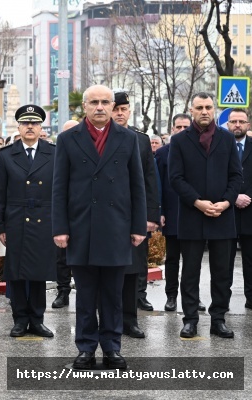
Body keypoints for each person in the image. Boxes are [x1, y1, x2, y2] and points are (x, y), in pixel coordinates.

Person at [52, 85, 146, 370]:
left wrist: (139, 226)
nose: (101, 107)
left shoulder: (128, 139)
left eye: (106, 102)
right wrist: (60, 228)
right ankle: (86, 348)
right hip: (81, 228)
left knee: (113, 295)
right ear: (85, 105)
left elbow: (137, 186)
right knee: (85, 295)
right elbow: (59, 188)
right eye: (94, 102)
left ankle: (112, 348)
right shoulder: (68, 139)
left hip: (116, 228)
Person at [169, 92, 242, 339]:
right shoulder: (179, 141)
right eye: (199, 107)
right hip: (192, 215)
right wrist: (198, 202)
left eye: (208, 107)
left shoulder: (226, 138)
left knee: (222, 272)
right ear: (191, 110)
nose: (204, 111)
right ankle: (190, 319)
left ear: (214, 109)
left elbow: (236, 176)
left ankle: (218, 319)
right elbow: (175, 178)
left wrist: (225, 202)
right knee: (190, 271)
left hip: (222, 216)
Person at [0, 104, 57, 338]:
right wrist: (0, 226)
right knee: (17, 273)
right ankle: (20, 319)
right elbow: (0, 194)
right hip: (16, 219)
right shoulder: (8, 154)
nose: (30, 127)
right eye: (25, 123)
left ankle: (38, 319)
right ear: (19, 127)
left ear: (41, 127)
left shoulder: (53, 152)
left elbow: (59, 191)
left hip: (44, 219)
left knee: (39, 273)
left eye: (34, 123)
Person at [111, 91, 159, 339]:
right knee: (106, 270)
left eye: (124, 108)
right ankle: (108, 320)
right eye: (116, 108)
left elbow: (150, 180)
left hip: (133, 216)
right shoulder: (100, 137)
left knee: (132, 271)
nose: (120, 113)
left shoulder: (141, 140)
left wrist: (151, 215)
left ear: (130, 111)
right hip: (107, 216)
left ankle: (130, 321)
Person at [155, 113, 206, 312]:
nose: (182, 130)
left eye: (186, 127)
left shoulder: (201, 150)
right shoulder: (162, 153)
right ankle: (171, 296)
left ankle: (193, 297)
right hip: (173, 213)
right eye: (178, 127)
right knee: (173, 258)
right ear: (172, 129)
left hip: (194, 212)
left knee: (193, 260)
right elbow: (157, 185)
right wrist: (160, 211)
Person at [227, 109, 252, 309]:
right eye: (233, 121)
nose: (237, 124)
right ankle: (222, 300)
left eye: (241, 121)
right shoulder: (220, 146)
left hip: (251, 212)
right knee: (224, 262)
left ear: (248, 125)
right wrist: (233, 196)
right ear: (227, 124)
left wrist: (248, 196)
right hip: (226, 212)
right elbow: (216, 176)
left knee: (251, 260)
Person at [51, 119, 79, 309]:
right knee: (62, 256)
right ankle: (63, 291)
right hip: (64, 211)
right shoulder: (57, 152)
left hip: (82, 213)